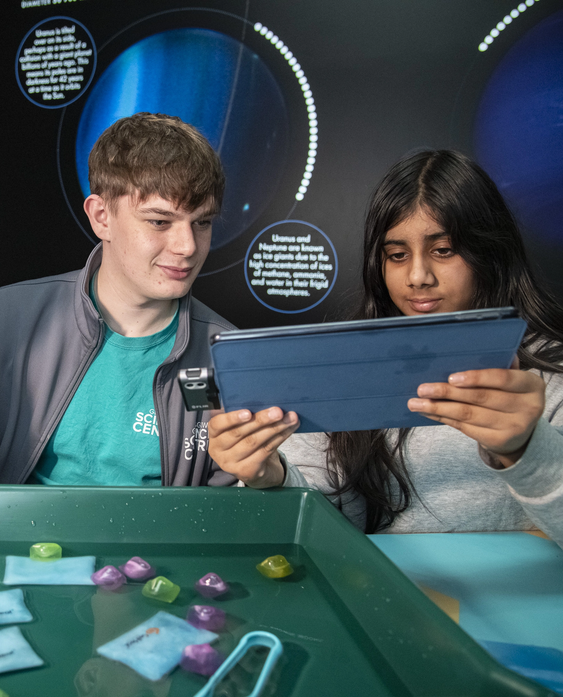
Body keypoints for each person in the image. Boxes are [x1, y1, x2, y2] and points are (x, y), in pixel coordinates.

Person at [210, 149, 563, 543]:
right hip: (381, 598)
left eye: (443, 250)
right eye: (397, 255)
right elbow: (320, 521)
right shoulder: (342, 360)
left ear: (489, 252)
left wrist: (525, 449)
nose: (417, 276)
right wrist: (268, 475)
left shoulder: (551, 375)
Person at [0, 113, 296, 488]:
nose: (187, 247)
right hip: (20, 540)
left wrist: (265, 476)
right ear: (101, 217)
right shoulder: (9, 319)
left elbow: (226, 504)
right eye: (159, 222)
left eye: (202, 223)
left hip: (159, 546)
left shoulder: (223, 355)